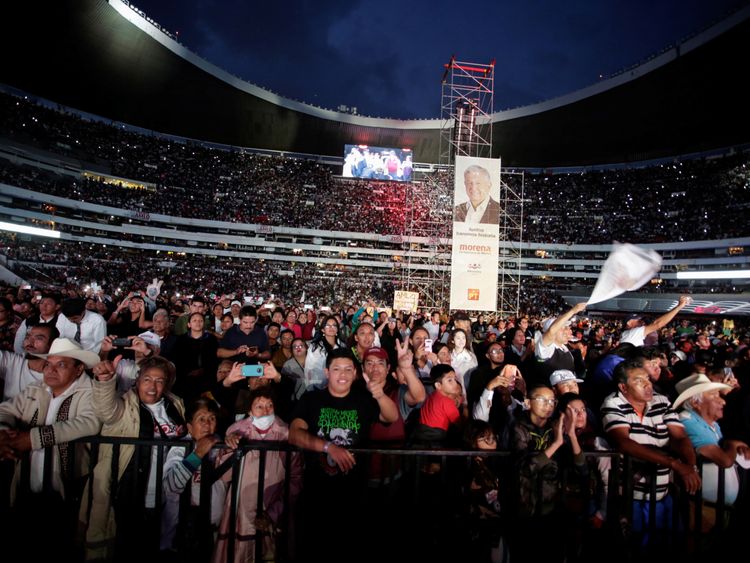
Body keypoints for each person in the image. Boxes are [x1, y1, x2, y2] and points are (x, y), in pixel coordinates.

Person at [289, 348, 398, 561]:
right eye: (337, 369)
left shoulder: (364, 401)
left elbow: (391, 416)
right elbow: (294, 434)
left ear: (355, 373)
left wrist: (379, 394)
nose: (343, 374)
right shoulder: (312, 399)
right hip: (317, 492)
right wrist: (329, 448)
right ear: (327, 372)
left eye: (349, 369)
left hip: (355, 492)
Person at [0, 338, 101, 560]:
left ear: (78, 369)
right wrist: (3, 432)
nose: (51, 370)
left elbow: (89, 422)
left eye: (61, 365)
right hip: (27, 484)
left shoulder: (91, 391)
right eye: (48, 364)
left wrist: (32, 439)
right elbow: (5, 410)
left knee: (61, 547)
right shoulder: (35, 389)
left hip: (68, 489)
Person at [83, 355, 187, 562]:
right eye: (147, 379)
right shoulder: (124, 404)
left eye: (159, 381)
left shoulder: (175, 405)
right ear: (137, 381)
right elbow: (105, 411)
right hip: (128, 493)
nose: (152, 386)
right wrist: (104, 381)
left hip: (164, 496)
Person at [601, 358, 701, 554]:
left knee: (672, 547)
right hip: (632, 497)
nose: (648, 384)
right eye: (639, 381)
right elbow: (624, 442)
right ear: (623, 387)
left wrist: (690, 467)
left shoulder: (661, 401)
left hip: (663, 494)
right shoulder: (613, 403)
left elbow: (680, 436)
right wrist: (674, 464)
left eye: (647, 379)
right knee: (636, 550)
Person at [213, 389, 303, 563]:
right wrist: (230, 448)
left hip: (273, 504)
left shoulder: (287, 434)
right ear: (249, 410)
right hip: (241, 508)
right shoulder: (236, 431)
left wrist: (274, 513)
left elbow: (296, 479)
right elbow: (224, 475)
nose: (265, 411)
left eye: (270, 406)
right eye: (259, 406)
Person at [162, 398, 227, 562]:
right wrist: (197, 454)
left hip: (214, 533)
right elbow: (170, 486)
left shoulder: (220, 445)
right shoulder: (180, 449)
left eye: (212, 419)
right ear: (189, 426)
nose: (207, 424)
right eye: (201, 419)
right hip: (180, 536)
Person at [674, 374, 749, 514]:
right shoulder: (688, 422)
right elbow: (724, 460)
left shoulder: (712, 423)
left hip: (716, 508)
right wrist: (732, 444)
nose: (723, 402)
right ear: (695, 402)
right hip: (701, 510)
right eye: (714, 396)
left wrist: (733, 446)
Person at [619, 295, 692, 347]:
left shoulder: (626, 334)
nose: (642, 322)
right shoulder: (633, 333)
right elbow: (657, 324)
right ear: (629, 322)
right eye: (639, 321)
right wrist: (680, 306)